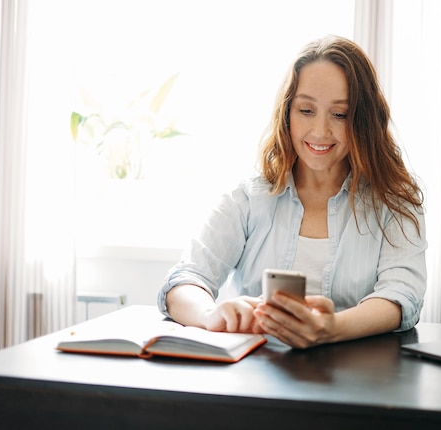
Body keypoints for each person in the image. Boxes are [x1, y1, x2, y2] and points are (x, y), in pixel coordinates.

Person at [158, 35, 427, 349]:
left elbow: (402, 295)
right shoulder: (247, 200)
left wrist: (333, 327)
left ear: (363, 121)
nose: (320, 131)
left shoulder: (393, 203)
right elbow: (184, 280)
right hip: (256, 378)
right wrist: (210, 314)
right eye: (306, 110)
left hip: (359, 379)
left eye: (340, 114)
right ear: (287, 112)